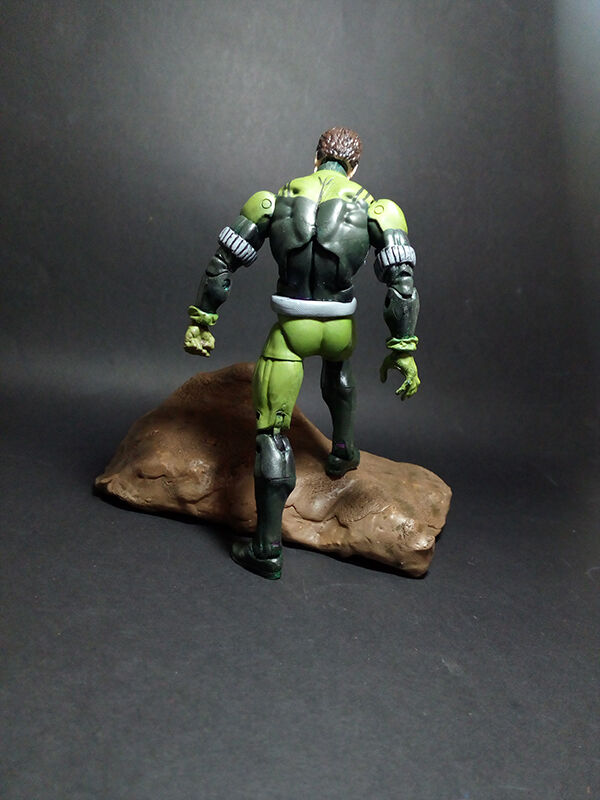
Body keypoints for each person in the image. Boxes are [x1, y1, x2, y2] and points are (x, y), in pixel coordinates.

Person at [184, 127, 420, 579]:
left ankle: (267, 549)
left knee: (272, 434)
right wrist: (403, 348)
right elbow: (401, 283)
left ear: (316, 158)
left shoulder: (271, 202)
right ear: (354, 166)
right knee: (338, 370)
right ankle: (344, 449)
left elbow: (222, 263)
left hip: (292, 329)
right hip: (339, 326)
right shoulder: (378, 209)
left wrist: (203, 320)